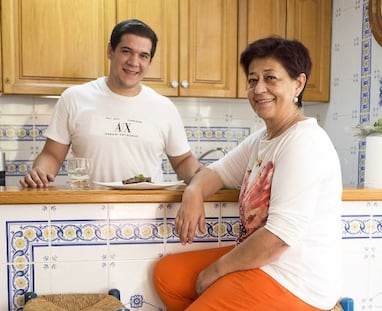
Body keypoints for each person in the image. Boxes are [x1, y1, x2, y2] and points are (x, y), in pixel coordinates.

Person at [153, 36, 343, 311]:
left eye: (271, 78)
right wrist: (193, 191)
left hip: (298, 280)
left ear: (298, 84)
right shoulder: (262, 139)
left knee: (203, 285)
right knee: (167, 275)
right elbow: (216, 172)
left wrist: (215, 272)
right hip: (268, 263)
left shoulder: (304, 142)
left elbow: (278, 238)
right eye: (253, 80)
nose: (259, 89)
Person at [20, 19, 200, 188]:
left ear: (150, 62)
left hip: (147, 213)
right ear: (110, 51)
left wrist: (203, 177)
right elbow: (52, 155)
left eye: (143, 56)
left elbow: (183, 161)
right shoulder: (74, 98)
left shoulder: (164, 107)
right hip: (88, 212)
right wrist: (40, 174)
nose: (134, 62)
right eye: (126, 51)